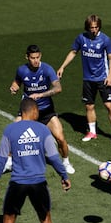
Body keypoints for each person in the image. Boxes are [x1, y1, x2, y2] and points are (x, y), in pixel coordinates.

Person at [0, 98, 71, 223]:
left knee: (8, 221)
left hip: (17, 183)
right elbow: (53, 157)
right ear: (33, 111)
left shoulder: (10, 129)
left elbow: (1, 159)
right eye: (38, 111)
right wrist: (64, 175)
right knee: (45, 219)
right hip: (39, 183)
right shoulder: (43, 129)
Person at [9, 45, 75, 174]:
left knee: (60, 138)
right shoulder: (22, 70)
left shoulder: (47, 69)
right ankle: (9, 162)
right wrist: (14, 87)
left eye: (38, 57)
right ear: (27, 57)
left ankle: (66, 162)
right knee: (13, 134)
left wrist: (41, 95)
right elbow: (17, 82)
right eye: (33, 58)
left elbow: (58, 88)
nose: (35, 60)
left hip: (46, 111)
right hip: (28, 111)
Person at [57, 14, 111, 145]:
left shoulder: (105, 40)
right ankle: (92, 132)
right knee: (89, 106)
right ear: (87, 27)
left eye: (96, 27)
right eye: (91, 27)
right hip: (88, 79)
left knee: (108, 105)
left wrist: (110, 76)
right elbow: (73, 52)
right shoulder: (81, 38)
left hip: (103, 78)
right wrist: (62, 67)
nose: (94, 29)